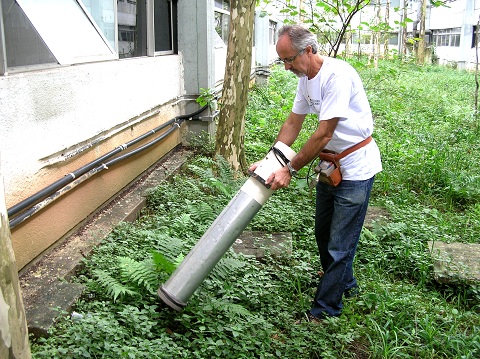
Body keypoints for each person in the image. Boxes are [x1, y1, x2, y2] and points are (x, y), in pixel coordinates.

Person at [249, 25, 382, 322]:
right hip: (329, 166)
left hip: (356, 167)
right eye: (281, 60)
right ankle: (345, 284)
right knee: (323, 233)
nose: (286, 66)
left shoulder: (337, 76)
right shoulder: (306, 78)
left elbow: (323, 134)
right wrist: (271, 162)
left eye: (289, 59)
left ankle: (325, 311)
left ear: (308, 50)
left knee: (339, 244)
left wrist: (290, 169)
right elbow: (293, 124)